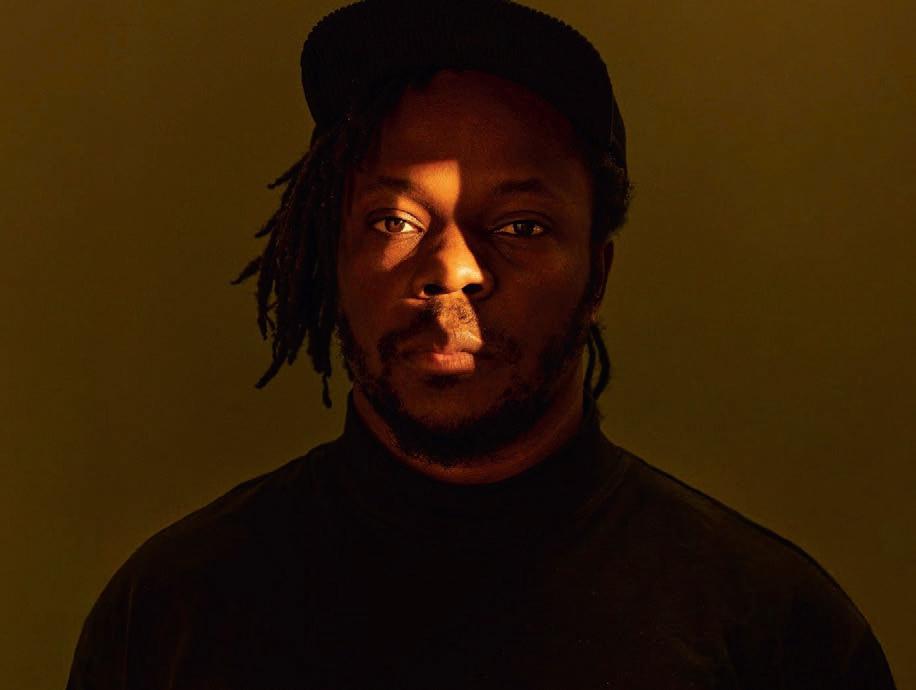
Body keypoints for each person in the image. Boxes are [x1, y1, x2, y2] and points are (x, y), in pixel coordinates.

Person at [67, 1, 896, 688]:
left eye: (520, 225)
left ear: (597, 275)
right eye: (394, 220)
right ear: (333, 258)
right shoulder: (171, 613)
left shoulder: (774, 632)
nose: (453, 270)